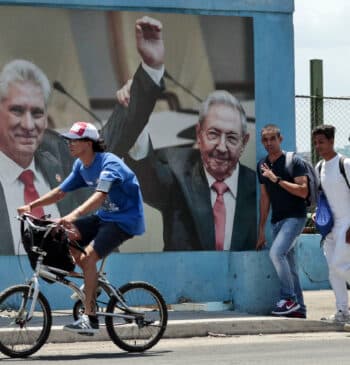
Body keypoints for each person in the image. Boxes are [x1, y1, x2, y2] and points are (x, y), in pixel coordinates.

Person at [0, 16, 164, 255]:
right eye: (17, 110)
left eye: (37, 113)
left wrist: (148, 71)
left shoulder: (59, 151)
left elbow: (113, 137)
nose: (28, 124)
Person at [112, 18, 256, 251]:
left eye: (231, 138)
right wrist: (137, 104)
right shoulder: (179, 174)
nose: (221, 147)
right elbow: (145, 171)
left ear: (244, 142)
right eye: (213, 134)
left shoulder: (257, 186)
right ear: (198, 135)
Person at [18, 120, 145, 334]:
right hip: (104, 217)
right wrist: (32, 205)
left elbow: (99, 196)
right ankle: (91, 284)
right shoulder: (81, 166)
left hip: (125, 221)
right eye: (68, 140)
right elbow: (60, 192)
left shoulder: (109, 164)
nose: (69, 144)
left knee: (88, 259)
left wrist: (74, 214)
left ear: (89, 143)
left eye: (74, 140)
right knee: (65, 235)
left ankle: (91, 317)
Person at [256, 124, 308, 318]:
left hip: (295, 217)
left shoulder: (294, 161)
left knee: (276, 254)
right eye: (265, 140)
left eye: (273, 139)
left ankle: (289, 299)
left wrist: (276, 179)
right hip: (277, 221)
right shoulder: (262, 164)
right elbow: (265, 198)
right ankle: (299, 309)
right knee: (290, 265)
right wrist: (261, 229)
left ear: (280, 139)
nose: (269, 143)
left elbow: (303, 191)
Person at [312, 124, 350, 323]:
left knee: (339, 266)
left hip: (347, 223)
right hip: (330, 227)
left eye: (322, 142)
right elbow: (322, 197)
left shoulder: (345, 164)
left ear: (332, 141)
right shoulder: (319, 167)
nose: (318, 146)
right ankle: (343, 311)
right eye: (316, 142)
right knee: (332, 270)